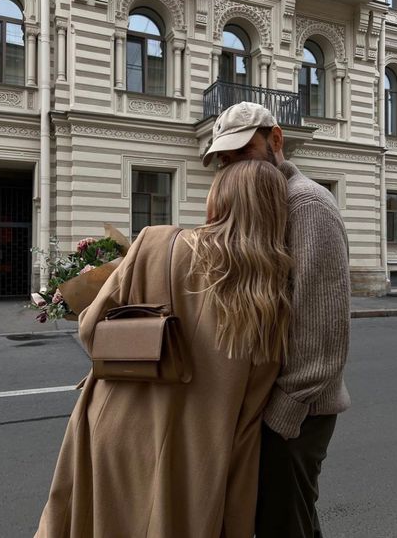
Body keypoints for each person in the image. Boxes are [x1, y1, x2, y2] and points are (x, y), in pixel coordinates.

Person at [34, 160, 292, 538]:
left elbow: (91, 331)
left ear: (217, 197)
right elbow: (250, 413)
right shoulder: (273, 296)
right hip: (198, 461)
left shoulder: (155, 242)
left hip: (119, 427)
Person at [202, 101, 351, 538]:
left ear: (276, 140)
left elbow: (325, 329)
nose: (231, 168)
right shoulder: (257, 200)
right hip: (264, 404)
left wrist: (281, 418)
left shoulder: (307, 204)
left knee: (286, 525)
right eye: (224, 160)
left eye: (241, 154)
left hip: (297, 411)